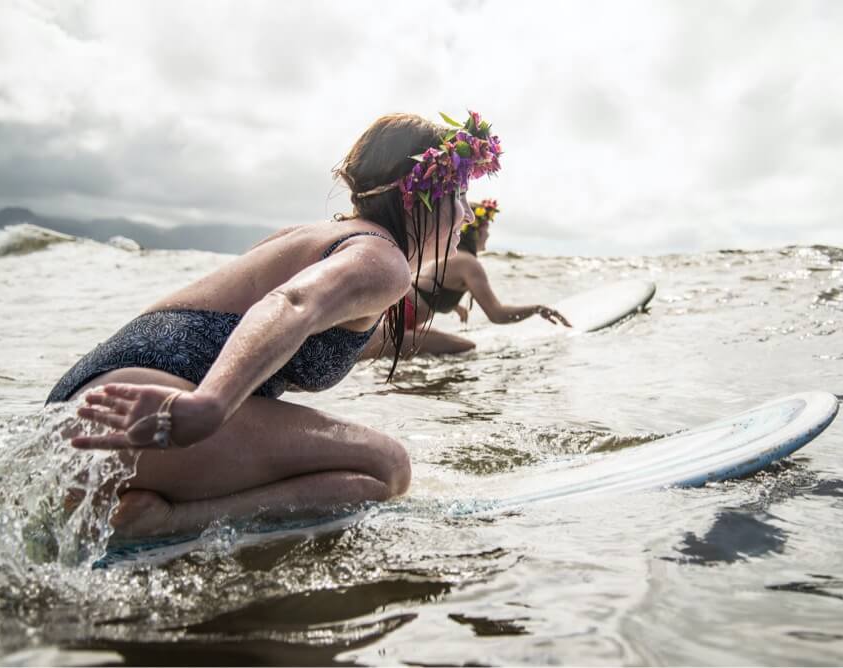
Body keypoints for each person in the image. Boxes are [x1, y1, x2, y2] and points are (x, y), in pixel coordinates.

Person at [46, 111, 502, 538]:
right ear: (419, 194)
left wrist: (460, 345)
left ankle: (150, 496)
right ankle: (162, 519)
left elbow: (347, 336)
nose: (466, 214)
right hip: (151, 413)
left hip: (82, 407)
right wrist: (207, 405)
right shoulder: (381, 257)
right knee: (387, 467)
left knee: (371, 465)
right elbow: (289, 304)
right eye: (459, 195)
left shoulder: (318, 237)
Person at [361, 198, 569, 358]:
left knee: (456, 344)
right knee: (466, 347)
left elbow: (422, 288)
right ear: (475, 233)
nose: (488, 236)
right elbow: (497, 314)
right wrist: (536, 309)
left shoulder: (447, 255)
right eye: (486, 230)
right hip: (388, 332)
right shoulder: (469, 263)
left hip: (384, 326)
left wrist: (453, 306)